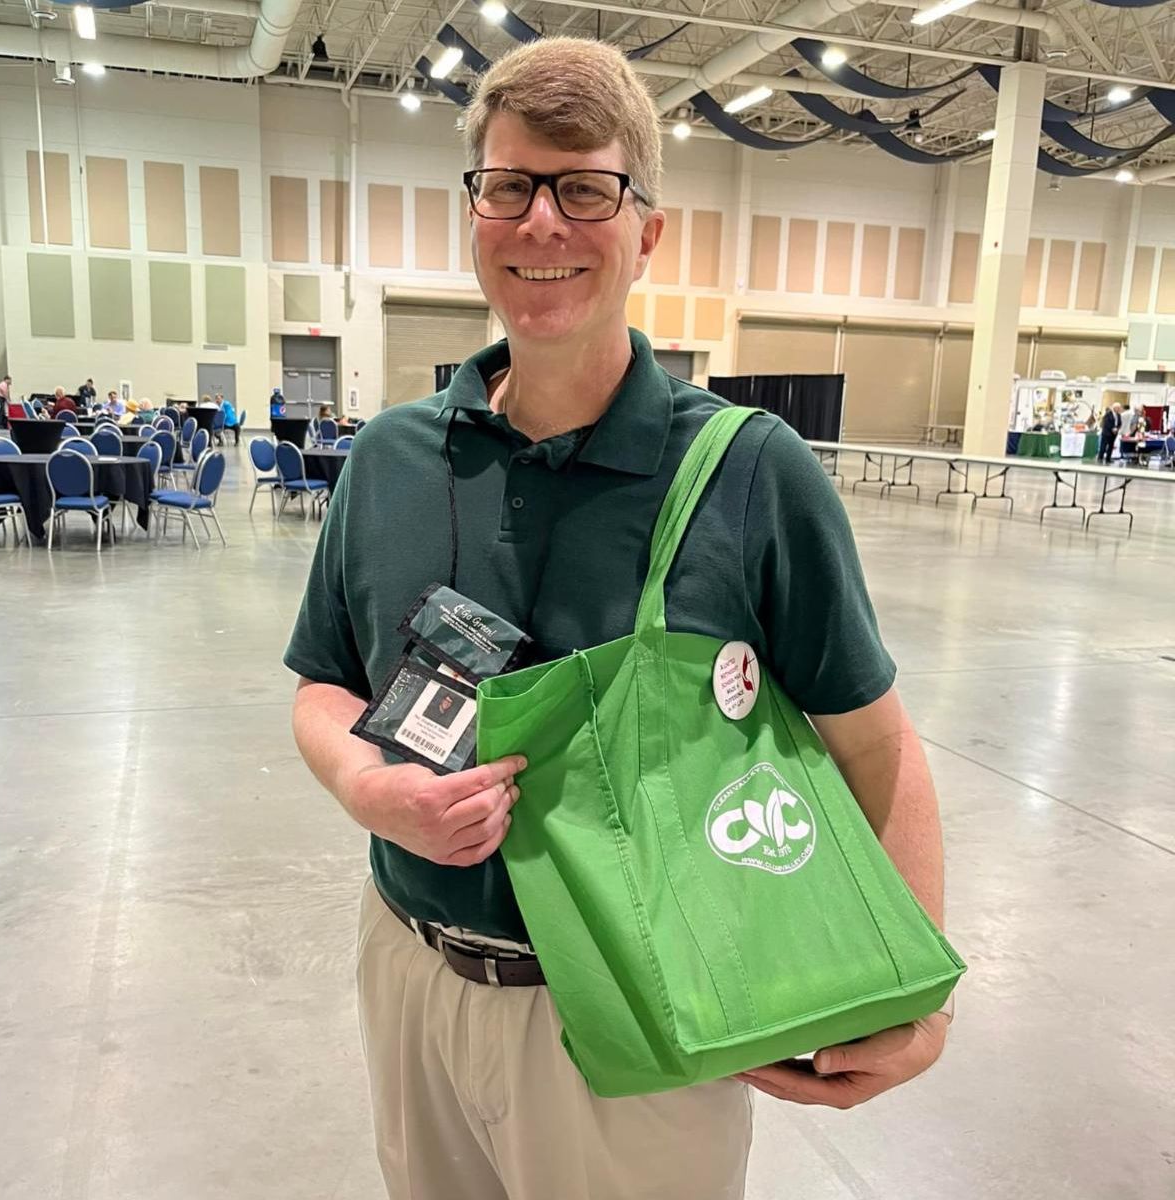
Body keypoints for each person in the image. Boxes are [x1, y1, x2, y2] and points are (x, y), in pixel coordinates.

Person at [285, 38, 951, 1200]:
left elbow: (874, 741)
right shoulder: (389, 459)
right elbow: (325, 687)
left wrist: (917, 996)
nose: (542, 223)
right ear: (476, 212)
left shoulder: (750, 473)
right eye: (509, 187)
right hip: (411, 970)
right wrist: (366, 789)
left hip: (644, 1009)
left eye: (584, 188)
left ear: (646, 229)